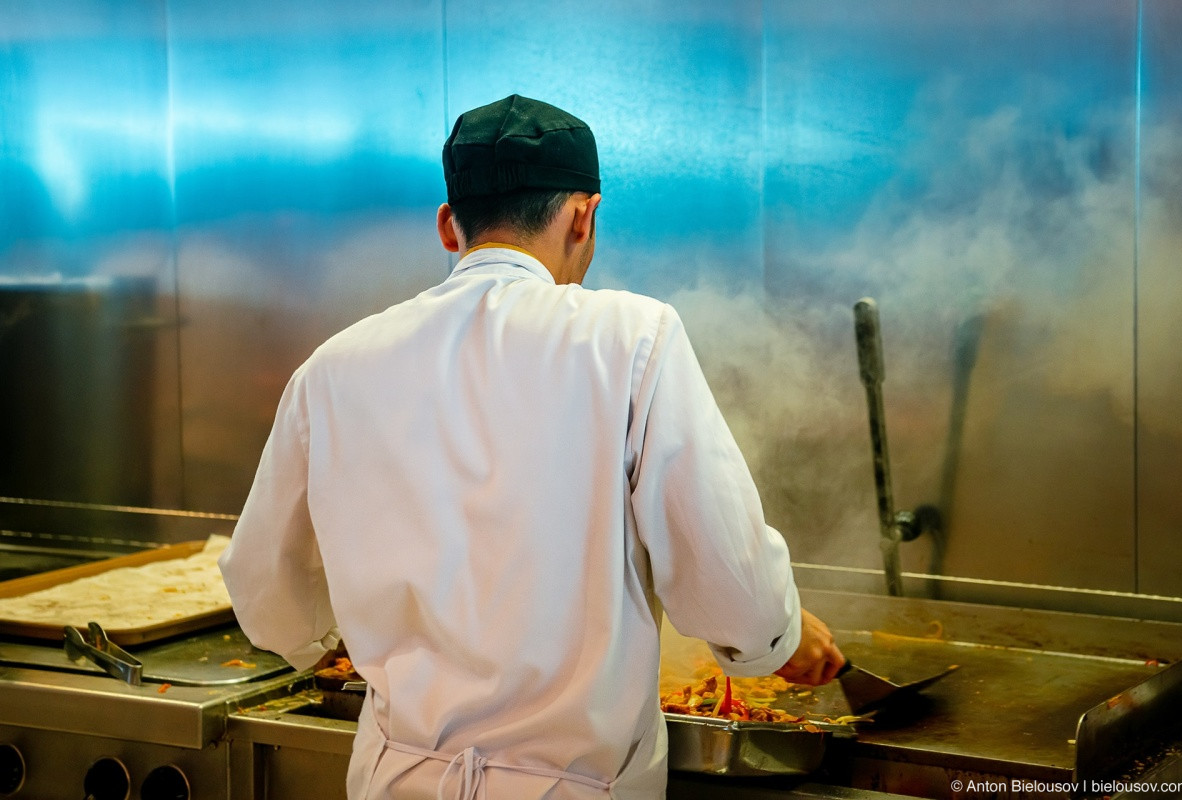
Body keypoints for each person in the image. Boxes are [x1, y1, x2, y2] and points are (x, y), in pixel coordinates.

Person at [219, 93, 844, 800]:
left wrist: (332, 644)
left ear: (448, 227)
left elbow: (263, 592)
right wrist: (780, 641)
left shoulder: (332, 368)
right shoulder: (633, 338)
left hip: (395, 779)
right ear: (585, 215)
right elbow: (729, 579)